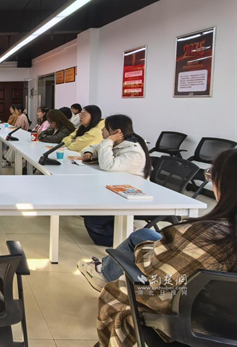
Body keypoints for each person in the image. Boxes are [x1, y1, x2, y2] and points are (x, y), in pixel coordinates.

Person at [79, 149, 237, 347]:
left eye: (211, 176)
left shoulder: (205, 235)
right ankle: (103, 270)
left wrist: (147, 249)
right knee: (143, 235)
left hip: (186, 326)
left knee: (138, 248)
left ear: (224, 184)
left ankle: (102, 273)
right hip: (226, 326)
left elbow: (159, 273)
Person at [81, 115, 152, 246]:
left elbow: (108, 166)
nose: (101, 130)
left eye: (105, 128)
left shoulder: (133, 152)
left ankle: (126, 239)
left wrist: (108, 141)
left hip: (128, 196)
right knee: (87, 207)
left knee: (92, 220)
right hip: (114, 189)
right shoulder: (119, 144)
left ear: (117, 132)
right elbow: (95, 147)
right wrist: (89, 153)